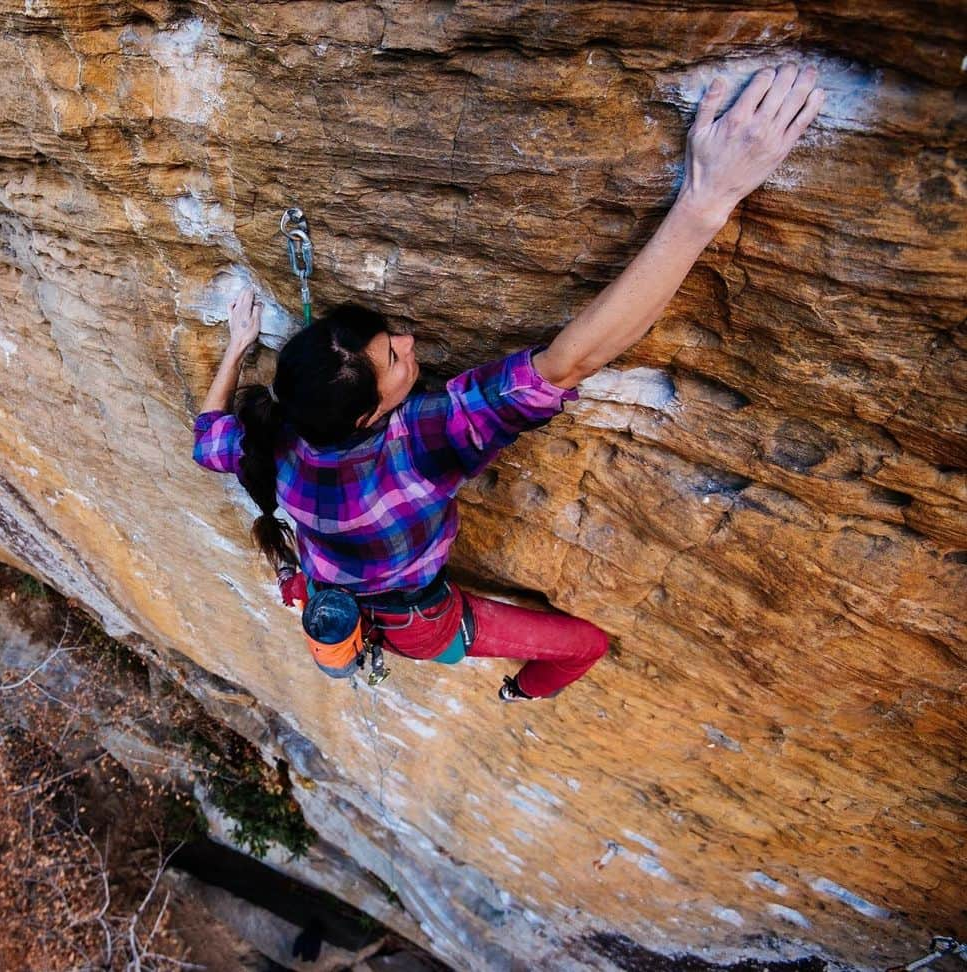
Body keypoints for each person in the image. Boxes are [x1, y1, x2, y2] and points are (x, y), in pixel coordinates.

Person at [193, 64, 824, 701]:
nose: (409, 344)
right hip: (420, 625)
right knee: (588, 646)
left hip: (336, 590)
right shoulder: (419, 444)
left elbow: (208, 443)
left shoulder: (271, 441)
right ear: (367, 418)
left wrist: (236, 347)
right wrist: (705, 203)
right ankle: (523, 691)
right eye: (393, 360)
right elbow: (570, 361)